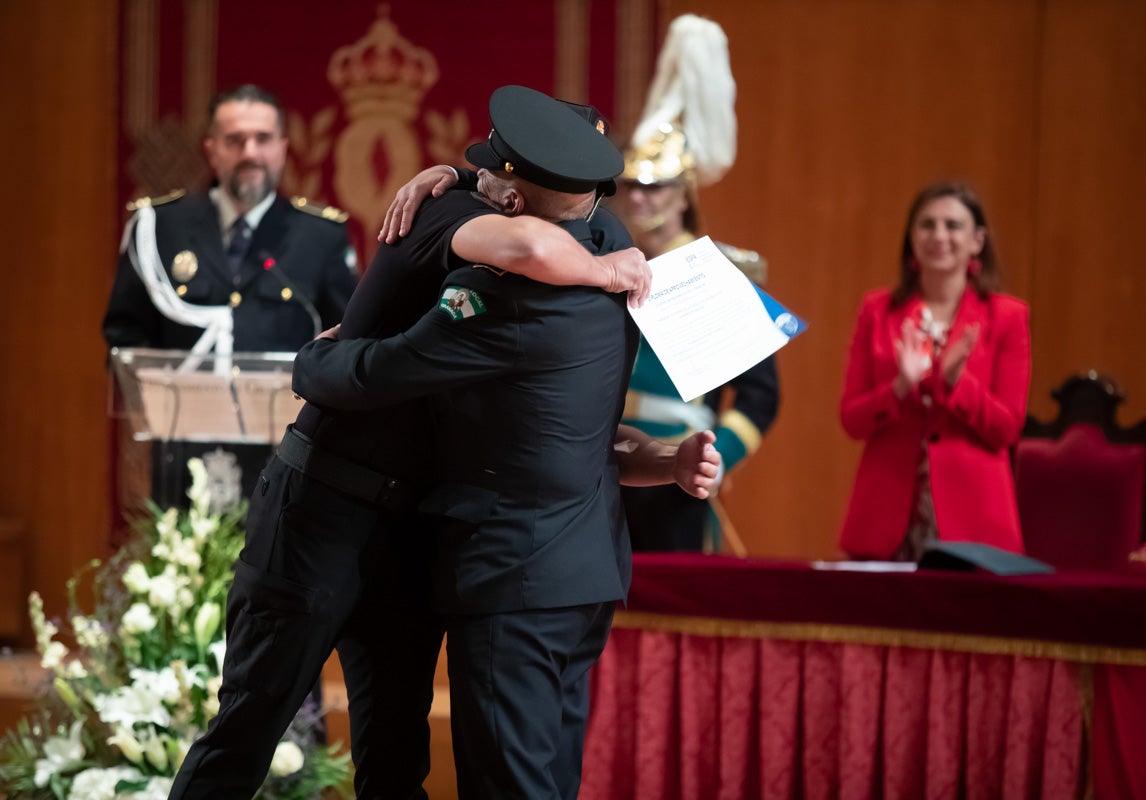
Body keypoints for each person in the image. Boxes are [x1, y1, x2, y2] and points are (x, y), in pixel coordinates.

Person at [169, 85, 717, 800]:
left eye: (492, 166)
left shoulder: (578, 244)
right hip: (322, 509)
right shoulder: (450, 211)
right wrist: (312, 361)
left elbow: (563, 236)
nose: (477, 171)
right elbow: (525, 237)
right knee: (253, 721)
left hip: (413, 527)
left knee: (396, 754)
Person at [290, 84, 669, 799]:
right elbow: (546, 211)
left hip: (512, 580)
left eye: (497, 175)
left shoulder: (508, 299)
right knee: (550, 781)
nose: (483, 184)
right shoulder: (612, 248)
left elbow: (378, 371)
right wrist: (460, 176)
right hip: (586, 571)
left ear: (516, 200)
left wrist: (311, 359)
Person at [102, 84, 359, 509]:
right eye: (235, 140)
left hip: (287, 460)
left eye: (262, 139)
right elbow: (124, 332)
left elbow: (349, 339)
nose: (250, 153)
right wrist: (155, 397)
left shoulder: (319, 236)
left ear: (282, 148)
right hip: (184, 459)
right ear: (212, 149)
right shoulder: (161, 227)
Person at [609, 14, 780, 552]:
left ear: (684, 194)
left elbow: (759, 397)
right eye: (632, 187)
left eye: (656, 187)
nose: (640, 199)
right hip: (603, 465)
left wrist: (716, 455)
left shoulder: (720, 276)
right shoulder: (607, 263)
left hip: (679, 476)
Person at [838, 182, 1030, 561]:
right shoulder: (877, 311)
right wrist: (899, 386)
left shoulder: (1007, 317)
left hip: (973, 519)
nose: (939, 235)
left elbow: (1007, 428)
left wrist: (958, 382)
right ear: (911, 239)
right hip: (888, 515)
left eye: (953, 225)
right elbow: (852, 420)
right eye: (927, 224)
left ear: (977, 241)